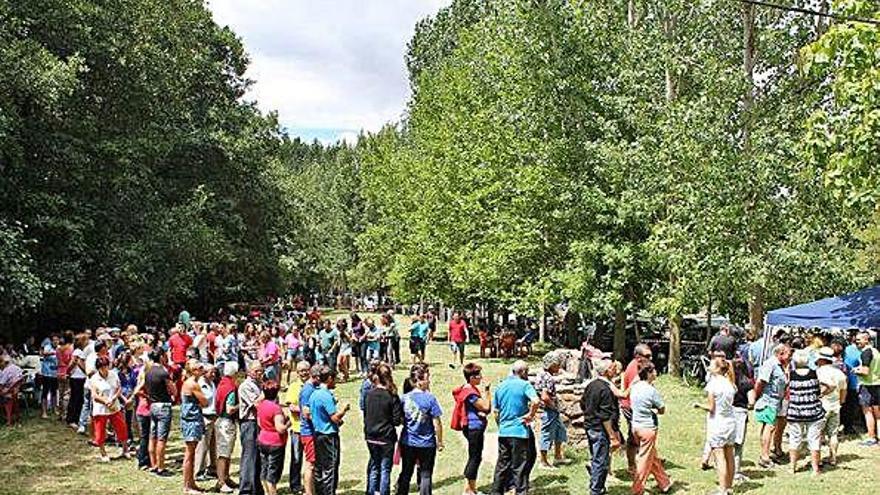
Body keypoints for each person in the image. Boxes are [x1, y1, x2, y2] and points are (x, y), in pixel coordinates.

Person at [490, 360, 540, 495]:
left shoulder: (500, 386)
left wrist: (501, 425)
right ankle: (521, 492)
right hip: (519, 431)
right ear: (523, 372)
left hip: (504, 431)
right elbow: (536, 401)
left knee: (502, 465)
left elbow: (495, 411)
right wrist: (530, 414)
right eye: (527, 372)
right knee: (520, 467)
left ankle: (496, 492)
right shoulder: (525, 385)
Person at [397, 364, 444, 495]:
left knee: (406, 472)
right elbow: (437, 423)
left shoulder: (404, 398)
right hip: (427, 443)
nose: (429, 381)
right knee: (426, 475)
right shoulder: (430, 398)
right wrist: (439, 441)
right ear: (418, 382)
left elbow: (400, 419)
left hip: (408, 442)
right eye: (426, 378)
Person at [694, 358, 736, 495]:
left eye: (711, 365)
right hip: (731, 422)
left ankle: (722, 489)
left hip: (718, 423)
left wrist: (699, 405)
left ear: (717, 369)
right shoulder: (730, 383)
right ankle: (729, 486)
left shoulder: (713, 384)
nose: (709, 366)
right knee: (730, 454)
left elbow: (712, 407)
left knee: (719, 457)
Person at [630, 362, 672, 495]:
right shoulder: (651, 390)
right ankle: (637, 489)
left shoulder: (635, 387)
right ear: (648, 374)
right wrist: (654, 410)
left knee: (651, 456)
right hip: (648, 428)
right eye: (654, 371)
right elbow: (662, 409)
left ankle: (664, 483)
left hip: (635, 427)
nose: (656, 373)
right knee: (644, 460)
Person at [581, 359, 622, 495]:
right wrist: (612, 436)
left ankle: (596, 485)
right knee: (601, 461)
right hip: (599, 429)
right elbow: (606, 416)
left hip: (590, 426)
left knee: (595, 457)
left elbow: (583, 404)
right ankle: (596, 490)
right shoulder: (605, 389)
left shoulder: (591, 385)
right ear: (606, 371)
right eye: (612, 368)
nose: (614, 369)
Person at [310, 365, 351, 495]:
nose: (335, 382)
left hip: (317, 434)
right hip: (328, 436)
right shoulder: (325, 395)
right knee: (330, 469)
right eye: (334, 379)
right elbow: (334, 417)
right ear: (328, 379)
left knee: (319, 468)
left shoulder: (314, 394)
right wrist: (344, 409)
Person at [364, 363, 404, 495]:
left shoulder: (368, 394)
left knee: (374, 466)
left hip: (370, 436)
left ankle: (371, 492)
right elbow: (396, 421)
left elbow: (366, 414)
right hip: (386, 437)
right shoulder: (392, 396)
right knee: (385, 468)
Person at [453, 362, 492, 495]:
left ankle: (471, 487)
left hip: (471, 426)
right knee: (475, 457)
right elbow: (486, 407)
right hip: (474, 428)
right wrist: (487, 391)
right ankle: (469, 489)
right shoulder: (470, 393)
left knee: (474, 456)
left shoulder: (466, 388)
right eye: (478, 375)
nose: (481, 377)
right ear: (471, 378)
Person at [786, 350, 826, 475]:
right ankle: (815, 468)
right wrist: (820, 395)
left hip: (795, 412)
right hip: (813, 411)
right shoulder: (814, 374)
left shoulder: (790, 375)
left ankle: (792, 467)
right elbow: (821, 388)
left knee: (794, 439)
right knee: (814, 440)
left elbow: (786, 390)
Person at [753, 343, 791, 468]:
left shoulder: (780, 366)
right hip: (768, 400)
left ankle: (767, 453)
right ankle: (764, 456)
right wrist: (756, 397)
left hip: (776, 402)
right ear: (780, 353)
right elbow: (761, 382)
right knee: (768, 428)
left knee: (771, 428)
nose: (790, 357)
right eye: (788, 355)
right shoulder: (770, 364)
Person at [89, 355, 130, 462]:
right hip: (100, 409)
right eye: (102, 367)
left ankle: (125, 449)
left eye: (106, 366)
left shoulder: (113, 375)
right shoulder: (94, 378)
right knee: (100, 431)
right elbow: (94, 395)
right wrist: (105, 401)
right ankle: (103, 453)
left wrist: (114, 398)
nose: (105, 369)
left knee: (121, 427)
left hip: (114, 407)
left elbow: (118, 388)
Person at [620, 344, 653, 473]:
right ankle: (632, 465)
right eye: (647, 356)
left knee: (638, 437)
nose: (650, 358)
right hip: (631, 406)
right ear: (638, 357)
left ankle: (648, 461)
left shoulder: (639, 366)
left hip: (634, 406)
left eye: (651, 355)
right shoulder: (635, 369)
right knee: (634, 438)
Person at [144, 348, 175, 476]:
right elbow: (172, 389)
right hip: (163, 405)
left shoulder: (148, 372)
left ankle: (154, 464)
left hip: (153, 405)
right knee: (162, 438)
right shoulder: (163, 372)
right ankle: (161, 467)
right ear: (161, 356)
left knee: (153, 436)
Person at [181, 359, 209, 494]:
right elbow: (205, 402)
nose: (202, 370)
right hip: (191, 420)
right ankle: (187, 485)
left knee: (192, 453)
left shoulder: (190, 382)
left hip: (191, 419)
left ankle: (191, 482)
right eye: (200, 368)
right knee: (189, 454)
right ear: (193, 370)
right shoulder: (193, 384)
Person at [815, 346, 847, 466]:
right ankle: (833, 458)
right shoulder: (840, 373)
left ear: (822, 360)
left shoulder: (818, 372)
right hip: (835, 405)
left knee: (817, 433)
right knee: (833, 434)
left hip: (821, 406)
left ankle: (817, 460)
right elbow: (844, 390)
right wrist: (841, 402)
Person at [535, 353, 568, 469]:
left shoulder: (542, 374)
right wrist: (553, 406)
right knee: (547, 433)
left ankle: (558, 456)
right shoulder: (547, 377)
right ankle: (543, 461)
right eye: (557, 365)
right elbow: (544, 396)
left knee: (560, 431)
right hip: (549, 410)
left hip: (553, 410)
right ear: (551, 365)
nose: (559, 367)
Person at [257, 380, 289, 495]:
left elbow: (260, 423)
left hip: (263, 439)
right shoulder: (276, 409)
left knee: (264, 470)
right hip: (275, 442)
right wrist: (288, 423)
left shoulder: (261, 405)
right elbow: (280, 428)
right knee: (273, 473)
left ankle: (266, 492)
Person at [239, 360, 265, 495]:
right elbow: (257, 404)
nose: (260, 373)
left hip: (258, 423)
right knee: (249, 455)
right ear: (249, 372)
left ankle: (256, 486)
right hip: (249, 422)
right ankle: (246, 489)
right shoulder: (246, 386)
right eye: (256, 371)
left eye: (261, 370)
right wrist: (267, 392)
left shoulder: (259, 384)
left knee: (257, 456)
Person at [285, 361, 311, 494]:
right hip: (297, 428)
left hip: (311, 429)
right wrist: (306, 411)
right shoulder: (294, 387)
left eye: (306, 370)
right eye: (301, 371)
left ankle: (310, 484)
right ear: (297, 372)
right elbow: (291, 407)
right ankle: (295, 484)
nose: (304, 373)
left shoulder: (313, 386)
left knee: (311, 459)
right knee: (296, 458)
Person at [214, 361, 240, 493]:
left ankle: (226, 477)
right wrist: (241, 405)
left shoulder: (222, 383)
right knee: (223, 454)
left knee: (227, 452)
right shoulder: (230, 388)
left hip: (221, 421)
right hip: (226, 422)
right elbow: (230, 409)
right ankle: (221, 481)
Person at [299, 364, 323, 495]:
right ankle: (308, 492)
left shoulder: (313, 387)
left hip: (313, 431)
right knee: (310, 464)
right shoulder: (307, 390)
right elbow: (306, 412)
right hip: (308, 432)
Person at [853, 331, 880, 446]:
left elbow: (865, 371)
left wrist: (856, 371)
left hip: (867, 386)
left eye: (859, 339)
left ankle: (871, 437)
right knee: (878, 414)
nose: (857, 342)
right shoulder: (876, 351)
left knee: (868, 413)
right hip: (877, 383)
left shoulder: (866, 353)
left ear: (866, 339)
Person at [195, 364, 218, 481]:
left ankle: (212, 468)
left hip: (214, 417)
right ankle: (199, 471)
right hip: (205, 417)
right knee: (202, 446)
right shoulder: (199, 385)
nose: (214, 375)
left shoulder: (212, 383)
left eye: (214, 372)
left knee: (213, 445)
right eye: (211, 372)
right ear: (204, 373)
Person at [842, 331, 865, 434]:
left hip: (850, 382)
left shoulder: (847, 350)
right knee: (852, 406)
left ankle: (849, 425)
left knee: (849, 405)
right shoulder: (853, 350)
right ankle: (849, 426)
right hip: (854, 383)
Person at [39, 335, 59, 419]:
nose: (56, 341)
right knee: (45, 391)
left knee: (54, 391)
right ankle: (44, 412)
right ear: (51, 341)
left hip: (55, 373)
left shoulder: (59, 347)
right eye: (54, 340)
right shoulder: (48, 347)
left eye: (57, 340)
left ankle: (54, 409)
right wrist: (53, 353)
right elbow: (43, 353)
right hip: (46, 373)